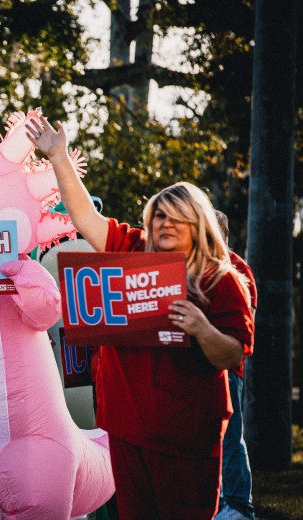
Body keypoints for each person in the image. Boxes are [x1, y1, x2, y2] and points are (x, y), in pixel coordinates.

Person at [26, 115, 254, 519]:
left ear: (197, 222)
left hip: (186, 434)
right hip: (126, 427)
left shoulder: (220, 278)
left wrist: (202, 329)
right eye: (158, 216)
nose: (164, 223)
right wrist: (59, 156)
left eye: (175, 216)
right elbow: (84, 218)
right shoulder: (132, 253)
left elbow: (232, 356)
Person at [214, 210, 257, 520]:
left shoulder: (237, 268)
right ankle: (219, 503)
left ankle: (239, 504)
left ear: (224, 235)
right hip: (204, 366)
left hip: (229, 367)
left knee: (230, 436)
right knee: (212, 438)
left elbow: (245, 321)